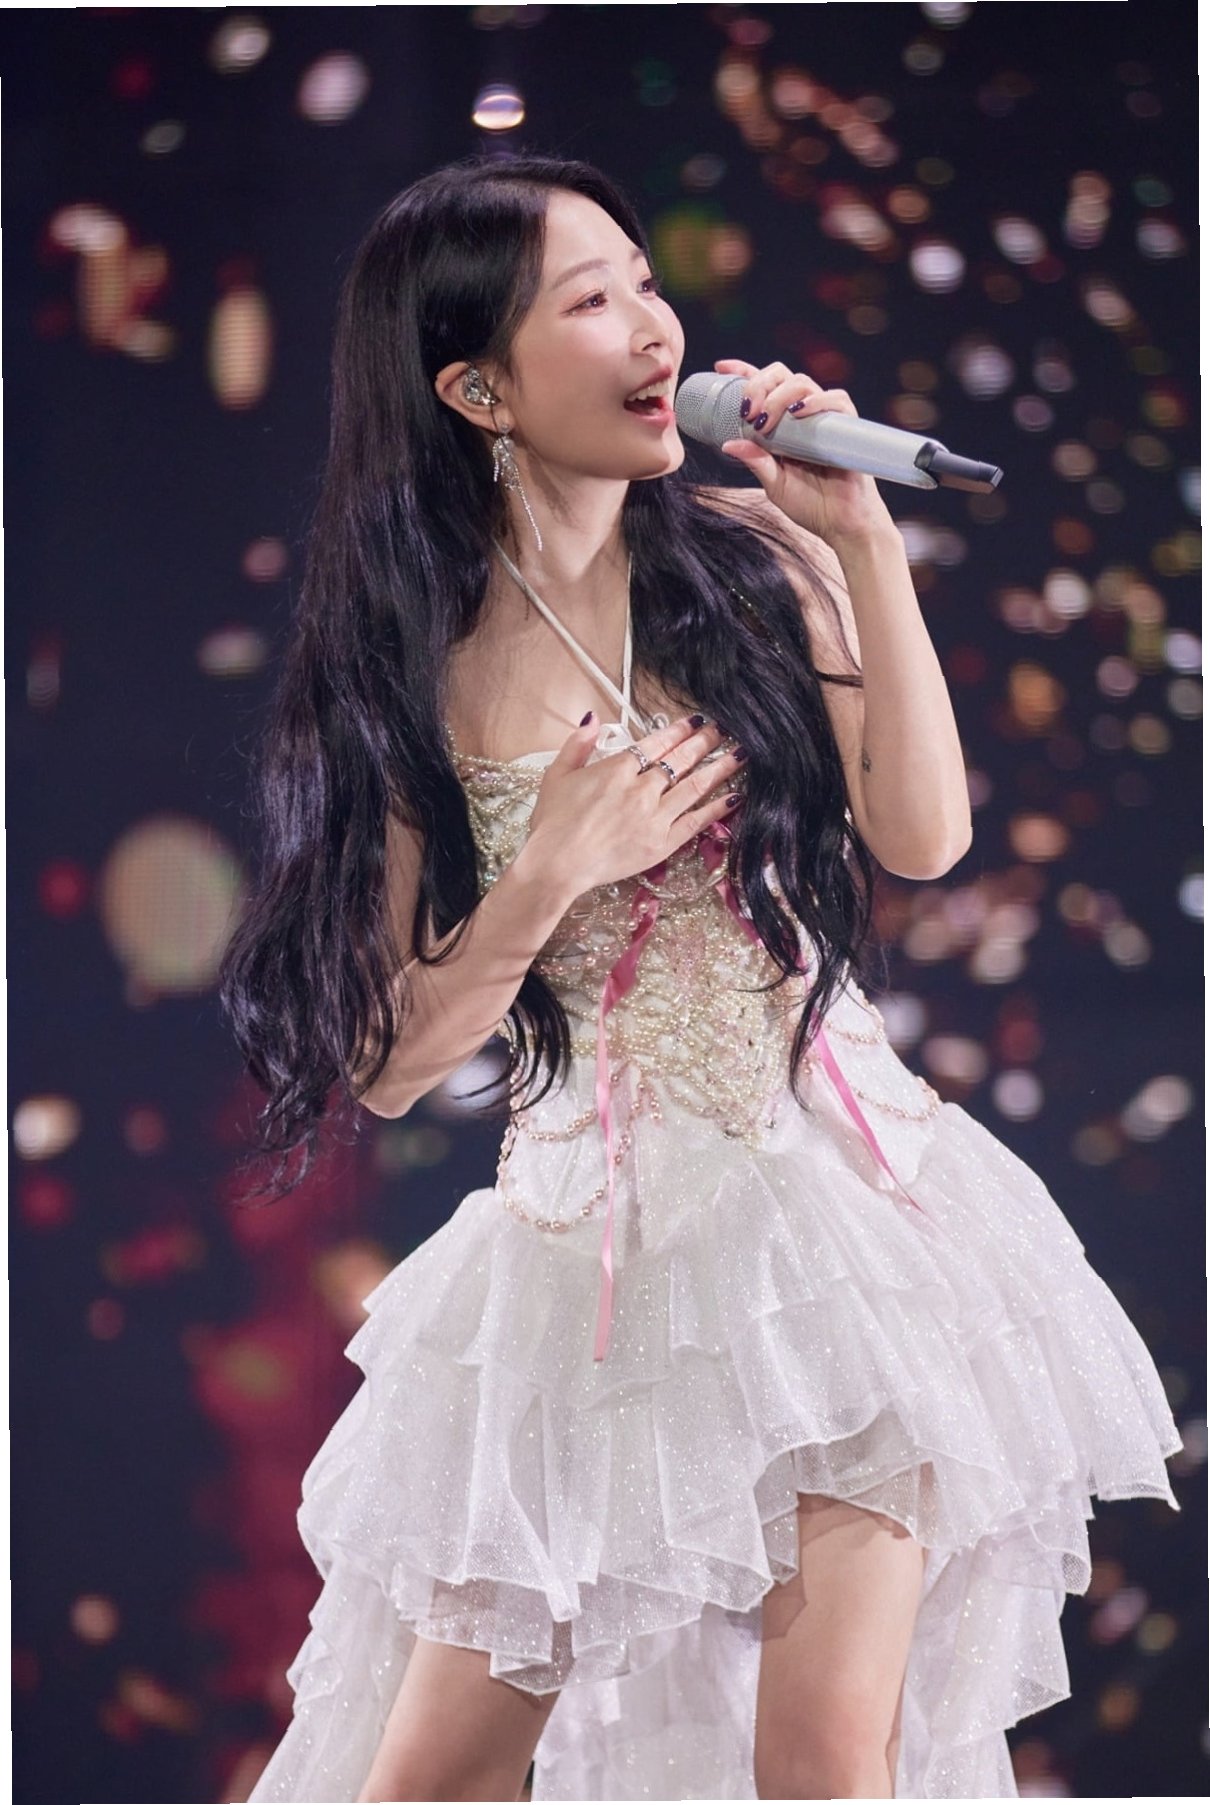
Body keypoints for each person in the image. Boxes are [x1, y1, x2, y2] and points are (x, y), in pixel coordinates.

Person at [223, 154, 1180, 1803]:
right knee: (425, 1780)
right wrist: (546, 870)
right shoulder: (407, 666)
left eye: (645, 285)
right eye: (589, 301)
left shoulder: (748, 561)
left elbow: (922, 832)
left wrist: (859, 544)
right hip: (583, 1260)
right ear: (477, 390)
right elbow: (387, 1059)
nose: (653, 329)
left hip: (837, 1221)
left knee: (822, 1759)